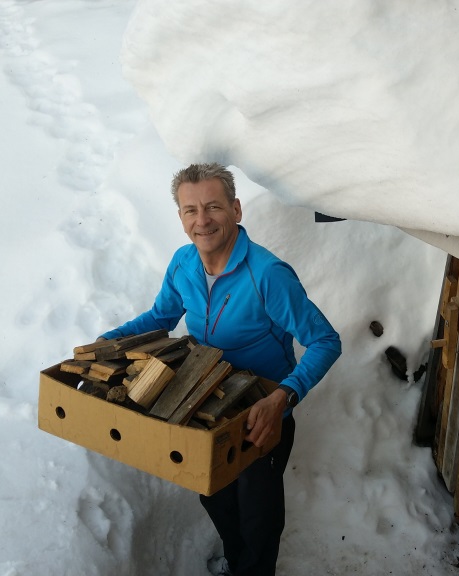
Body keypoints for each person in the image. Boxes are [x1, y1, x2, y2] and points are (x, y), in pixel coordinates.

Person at [99, 163, 342, 576]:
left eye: (213, 206)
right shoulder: (183, 264)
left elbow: (325, 340)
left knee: (258, 513)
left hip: (261, 412)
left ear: (236, 209)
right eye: (190, 210)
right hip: (206, 404)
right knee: (214, 494)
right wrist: (107, 342)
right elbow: (161, 317)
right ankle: (236, 562)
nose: (203, 220)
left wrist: (283, 397)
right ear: (181, 217)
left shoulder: (268, 275)